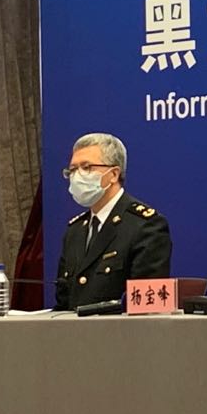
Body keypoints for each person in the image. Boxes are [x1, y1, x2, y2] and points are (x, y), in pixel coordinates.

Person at [54, 133, 172, 310]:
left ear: (114, 174)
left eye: (86, 167)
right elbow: (64, 302)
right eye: (72, 170)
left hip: (121, 328)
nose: (77, 176)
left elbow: (148, 306)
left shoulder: (146, 225)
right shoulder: (75, 230)